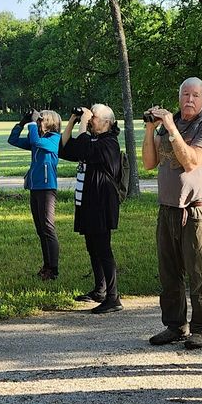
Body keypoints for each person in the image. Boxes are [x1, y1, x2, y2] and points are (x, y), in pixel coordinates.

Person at [141, 78, 202, 349]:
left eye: (195, 95)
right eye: (185, 94)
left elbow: (190, 162)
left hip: (195, 210)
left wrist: (171, 126)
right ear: (178, 97)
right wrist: (151, 128)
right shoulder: (166, 127)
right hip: (168, 208)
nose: (189, 99)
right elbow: (150, 163)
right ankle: (175, 325)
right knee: (169, 272)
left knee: (197, 270)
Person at [59, 104, 124, 314]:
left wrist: (84, 125)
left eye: (94, 117)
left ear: (107, 122)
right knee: (92, 247)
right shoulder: (93, 140)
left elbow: (84, 146)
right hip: (88, 202)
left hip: (101, 203)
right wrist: (72, 120)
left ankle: (113, 297)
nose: (90, 120)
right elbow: (64, 149)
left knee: (103, 248)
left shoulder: (109, 143)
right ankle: (100, 289)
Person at [9, 109, 61, 280]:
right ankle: (46, 265)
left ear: (50, 122)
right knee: (40, 229)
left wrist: (32, 124)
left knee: (48, 228)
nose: (37, 122)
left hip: (47, 188)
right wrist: (22, 123)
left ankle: (53, 268)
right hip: (35, 188)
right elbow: (13, 140)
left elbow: (36, 141)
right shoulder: (36, 139)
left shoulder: (54, 139)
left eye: (40, 120)